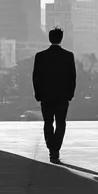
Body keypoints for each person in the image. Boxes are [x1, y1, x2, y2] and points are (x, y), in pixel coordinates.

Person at [32, 27, 77, 163]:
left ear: (49, 38)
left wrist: (38, 94)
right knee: (61, 122)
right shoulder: (68, 56)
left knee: (48, 122)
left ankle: (51, 146)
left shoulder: (40, 56)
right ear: (61, 38)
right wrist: (70, 94)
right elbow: (72, 77)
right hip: (62, 96)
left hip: (46, 96)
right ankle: (55, 149)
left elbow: (36, 77)